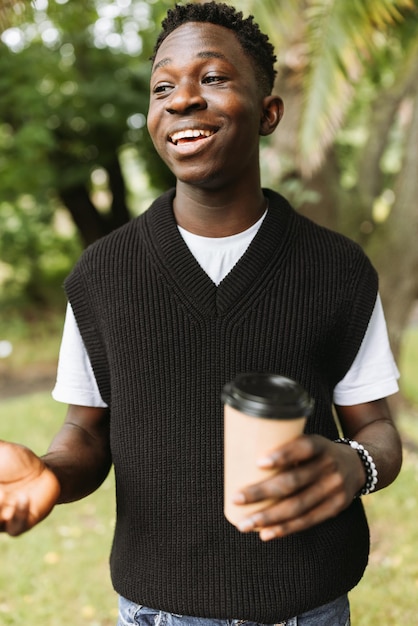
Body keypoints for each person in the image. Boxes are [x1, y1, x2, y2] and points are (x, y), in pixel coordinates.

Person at [0, 2, 402, 625]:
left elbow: (377, 429)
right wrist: (50, 475)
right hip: (155, 609)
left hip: (309, 607)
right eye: (164, 87)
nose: (182, 99)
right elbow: (85, 432)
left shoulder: (337, 270)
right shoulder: (102, 274)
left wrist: (356, 464)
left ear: (269, 113)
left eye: (212, 77)